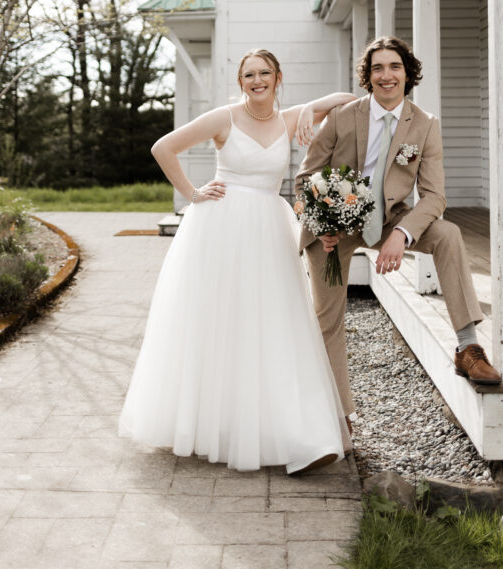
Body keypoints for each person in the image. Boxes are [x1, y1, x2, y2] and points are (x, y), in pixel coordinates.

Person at [119, 49, 354, 474]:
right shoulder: (223, 118)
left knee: (271, 325)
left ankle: (290, 432)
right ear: (241, 80)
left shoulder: (289, 119)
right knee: (220, 324)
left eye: (265, 73)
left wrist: (306, 114)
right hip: (220, 229)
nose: (257, 80)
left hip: (268, 229)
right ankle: (212, 426)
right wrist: (192, 193)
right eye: (249, 74)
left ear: (278, 77)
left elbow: (347, 100)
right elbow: (163, 147)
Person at [295, 35, 501, 424]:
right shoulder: (342, 117)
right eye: (377, 68)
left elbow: (435, 197)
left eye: (394, 67)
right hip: (334, 226)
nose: (386, 75)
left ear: (408, 74)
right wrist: (322, 220)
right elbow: (306, 177)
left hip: (391, 218)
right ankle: (336, 416)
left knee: (448, 234)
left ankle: (468, 348)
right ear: (368, 76)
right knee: (327, 319)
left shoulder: (425, 126)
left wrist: (401, 234)